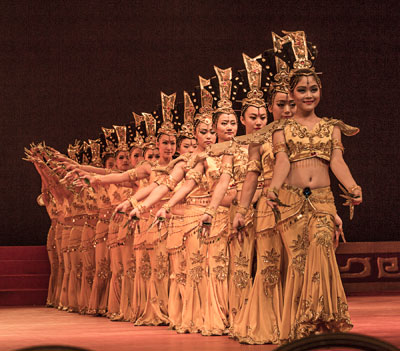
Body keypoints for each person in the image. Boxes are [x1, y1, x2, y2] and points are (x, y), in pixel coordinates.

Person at [265, 31, 362, 342]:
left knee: (322, 244)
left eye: (314, 89)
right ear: (292, 94)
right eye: (302, 90)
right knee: (301, 262)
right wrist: (272, 189)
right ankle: (304, 324)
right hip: (290, 202)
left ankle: (319, 317)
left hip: (322, 201)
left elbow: (337, 164)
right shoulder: (281, 128)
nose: (309, 94)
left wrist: (352, 185)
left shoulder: (332, 127)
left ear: (321, 91)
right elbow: (282, 163)